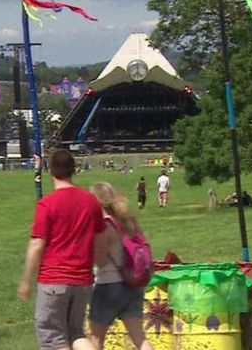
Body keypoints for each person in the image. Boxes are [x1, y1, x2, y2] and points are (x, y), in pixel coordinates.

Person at [17, 149, 107, 350]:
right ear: (74, 170)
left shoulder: (47, 204)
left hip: (53, 280)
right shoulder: (91, 201)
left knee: (52, 337)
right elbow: (100, 238)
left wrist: (26, 281)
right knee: (76, 333)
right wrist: (100, 266)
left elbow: (37, 244)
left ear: (50, 171)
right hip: (83, 279)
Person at [88, 182, 154, 350]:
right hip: (133, 283)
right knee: (139, 337)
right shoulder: (127, 220)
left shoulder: (105, 224)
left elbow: (100, 261)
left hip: (108, 286)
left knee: (96, 340)